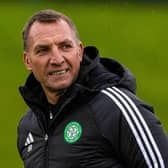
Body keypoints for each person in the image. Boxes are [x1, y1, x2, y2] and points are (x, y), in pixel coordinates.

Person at [17, 9, 168, 168]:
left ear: (80, 51)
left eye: (65, 46)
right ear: (27, 61)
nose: (57, 59)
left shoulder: (115, 108)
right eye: (43, 50)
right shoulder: (29, 127)